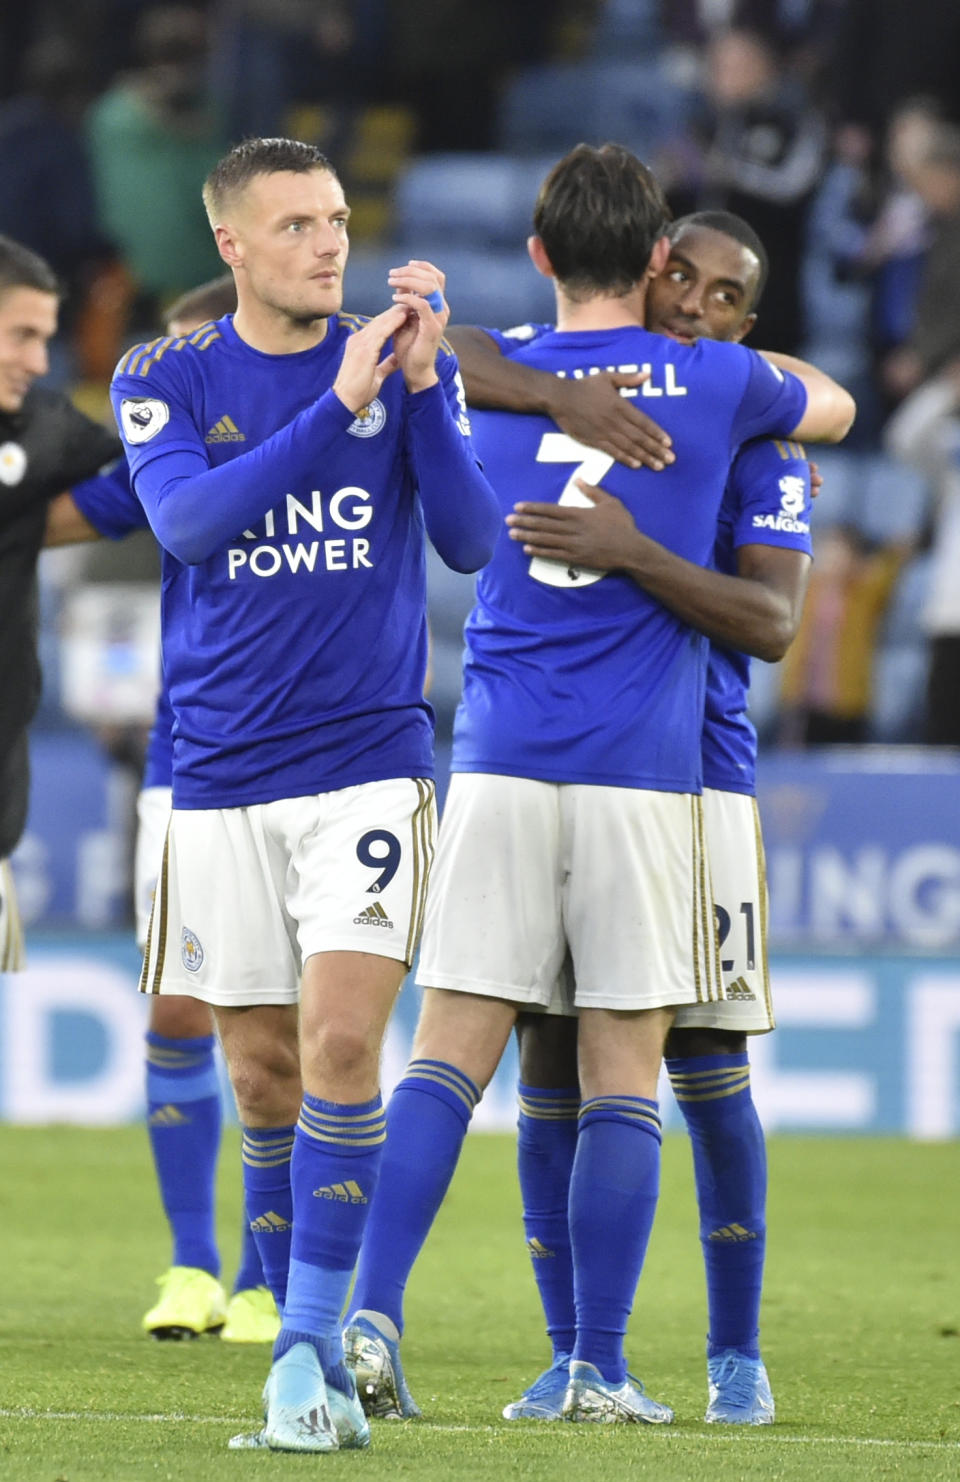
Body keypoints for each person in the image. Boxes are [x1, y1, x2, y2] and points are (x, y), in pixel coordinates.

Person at [342, 148, 853, 1426]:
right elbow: (835, 404)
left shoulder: (479, 366)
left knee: (450, 1056)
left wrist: (517, 377)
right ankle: (597, 1366)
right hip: (645, 774)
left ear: (534, 255)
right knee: (627, 1070)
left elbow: (427, 360)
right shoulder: (731, 386)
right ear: (660, 265)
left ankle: (369, 1310)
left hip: (500, 752)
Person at [109, 136, 500, 1454]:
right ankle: (306, 1335)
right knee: (261, 1069)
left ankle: (301, 1353)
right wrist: (335, 405)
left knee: (340, 1043)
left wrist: (430, 391)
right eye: (295, 226)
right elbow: (190, 526)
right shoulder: (162, 372)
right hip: (217, 776)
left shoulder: (398, 368)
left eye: (337, 219)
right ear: (231, 244)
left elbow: (468, 539)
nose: (329, 245)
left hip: (368, 762)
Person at [48, 273, 280, 1343]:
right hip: (188, 772)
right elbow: (49, 525)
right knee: (181, 1010)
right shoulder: (155, 474)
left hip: (316, 765)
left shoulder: (328, 437)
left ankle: (273, 1272)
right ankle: (193, 1267)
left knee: (285, 1033)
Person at [0, 233, 122, 970]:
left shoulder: (41, 431)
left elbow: (152, 479)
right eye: (21, 335)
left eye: (47, 338)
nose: (42, 361)